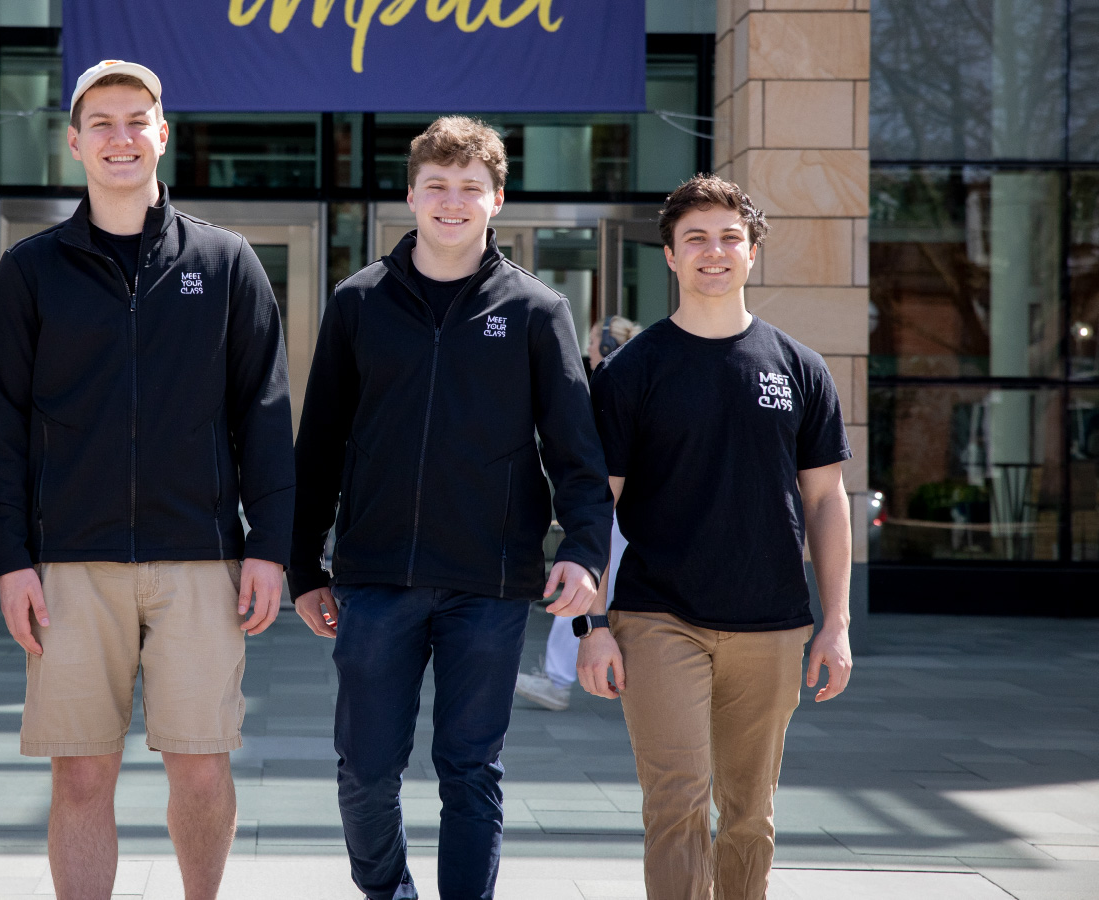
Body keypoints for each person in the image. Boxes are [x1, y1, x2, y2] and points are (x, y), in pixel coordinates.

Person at [0, 60, 294, 900]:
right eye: (102, 124)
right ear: (74, 142)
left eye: (137, 121)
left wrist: (270, 548)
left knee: (199, 768)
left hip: (199, 557)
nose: (121, 138)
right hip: (70, 563)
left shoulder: (226, 263)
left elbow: (264, 416)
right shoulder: (31, 269)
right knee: (81, 775)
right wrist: (9, 559)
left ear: (164, 135)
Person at [289, 116, 613, 900]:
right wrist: (303, 565)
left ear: (496, 200)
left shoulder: (537, 311)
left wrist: (585, 550)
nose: (451, 201)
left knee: (471, 771)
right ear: (410, 195)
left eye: (470, 187)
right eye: (436, 185)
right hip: (375, 578)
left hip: (490, 582)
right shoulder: (358, 302)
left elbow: (576, 448)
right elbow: (320, 444)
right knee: (364, 771)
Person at [577, 174, 855, 900]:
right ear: (669, 256)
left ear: (753, 251)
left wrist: (837, 623)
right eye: (694, 238)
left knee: (749, 816)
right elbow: (594, 510)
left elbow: (826, 501)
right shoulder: (632, 373)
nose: (713, 251)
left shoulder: (800, 368)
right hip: (658, 617)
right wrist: (591, 626)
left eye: (730, 237)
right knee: (675, 804)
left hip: (772, 623)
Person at [515, 315, 640, 711]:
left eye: (593, 341)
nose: (588, 347)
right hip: (609, 509)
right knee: (585, 588)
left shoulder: (618, 382)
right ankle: (561, 674)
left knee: (582, 589)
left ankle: (558, 678)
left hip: (616, 510)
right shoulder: (595, 381)